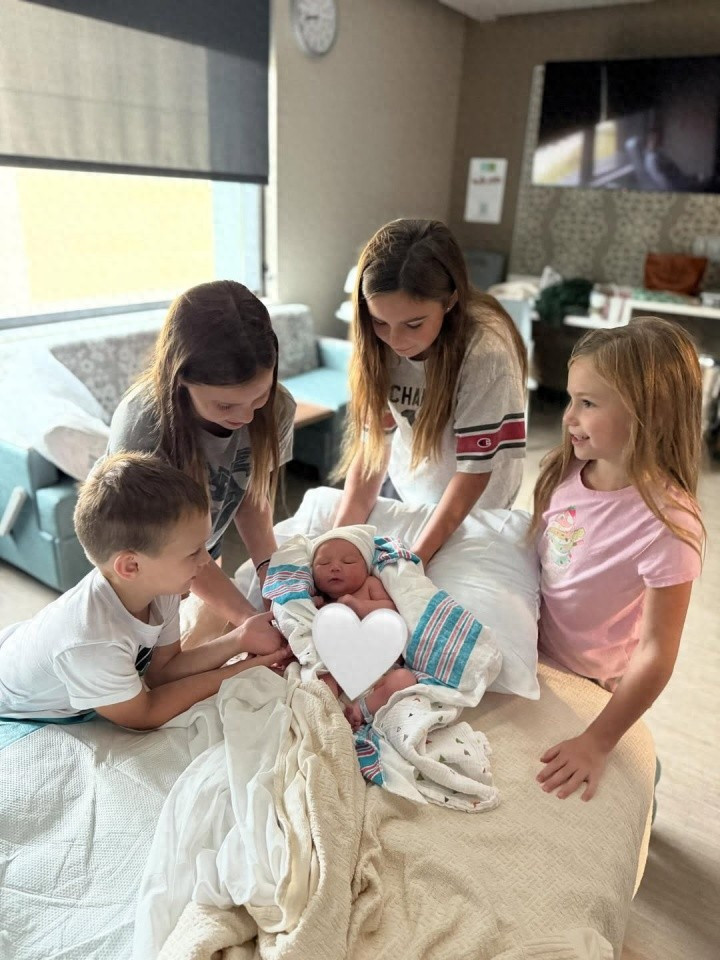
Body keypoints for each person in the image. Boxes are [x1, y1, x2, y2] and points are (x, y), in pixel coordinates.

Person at [531, 318, 705, 803]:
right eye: (571, 399)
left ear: (650, 411)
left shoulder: (668, 524)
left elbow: (657, 652)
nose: (568, 416)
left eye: (587, 403)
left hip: (593, 683)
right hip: (535, 657)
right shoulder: (567, 468)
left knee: (637, 779)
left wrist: (598, 741)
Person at [0, 454, 289, 729]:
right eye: (193, 552)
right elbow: (145, 713)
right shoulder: (92, 643)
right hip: (11, 698)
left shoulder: (158, 587)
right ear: (131, 566)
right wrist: (238, 671)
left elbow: (163, 672)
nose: (206, 560)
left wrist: (241, 638)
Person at [108, 280, 295, 648]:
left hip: (201, 557)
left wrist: (270, 574)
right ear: (181, 379)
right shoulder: (142, 428)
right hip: (141, 568)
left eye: (259, 396)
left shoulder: (279, 407)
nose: (246, 416)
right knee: (150, 666)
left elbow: (249, 494)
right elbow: (164, 550)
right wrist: (247, 617)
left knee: (206, 645)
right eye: (225, 405)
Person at [333, 219, 527, 568]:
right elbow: (373, 448)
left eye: (414, 324)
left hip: (476, 501)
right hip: (414, 480)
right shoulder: (377, 345)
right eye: (380, 322)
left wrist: (415, 559)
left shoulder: (486, 353)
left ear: (450, 301)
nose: (395, 341)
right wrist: (337, 541)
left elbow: (473, 473)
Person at [310, 527, 415, 729]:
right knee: (321, 683)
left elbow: (391, 610)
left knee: (405, 679)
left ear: (365, 567)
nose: (335, 567)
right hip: (341, 671)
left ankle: (362, 710)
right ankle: (330, 716)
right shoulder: (322, 602)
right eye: (324, 563)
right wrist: (313, 608)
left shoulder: (370, 585)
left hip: (382, 671)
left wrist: (359, 606)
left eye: (348, 561)